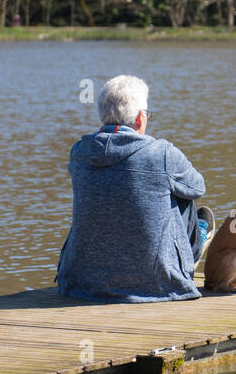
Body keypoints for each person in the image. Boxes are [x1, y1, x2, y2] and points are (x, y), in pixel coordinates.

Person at [56, 75, 210, 301]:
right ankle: (198, 239)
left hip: (81, 284)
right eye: (147, 114)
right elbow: (199, 187)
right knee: (184, 196)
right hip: (158, 284)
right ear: (140, 118)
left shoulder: (79, 152)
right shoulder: (163, 153)